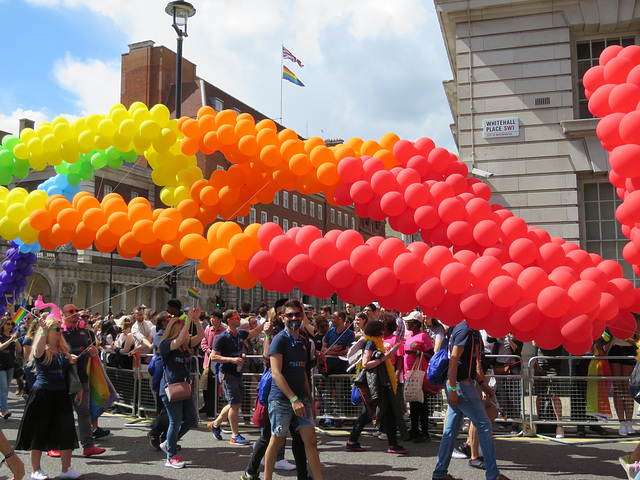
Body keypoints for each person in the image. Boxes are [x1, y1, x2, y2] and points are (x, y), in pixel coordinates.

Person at [432, 319, 511, 480]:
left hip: (460, 384)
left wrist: (483, 384)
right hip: (460, 385)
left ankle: (439, 474)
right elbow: (454, 359)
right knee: (484, 424)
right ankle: (493, 475)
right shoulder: (464, 329)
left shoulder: (470, 330)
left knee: (451, 431)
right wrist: (453, 388)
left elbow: (466, 362)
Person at [15, 299, 82, 479]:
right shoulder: (42, 348)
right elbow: (36, 352)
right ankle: (35, 470)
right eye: (57, 329)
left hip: (61, 394)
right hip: (43, 393)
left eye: (61, 329)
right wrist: (43, 331)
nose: (61, 332)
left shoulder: (63, 350)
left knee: (66, 431)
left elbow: (70, 372)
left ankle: (66, 470)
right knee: (38, 431)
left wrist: (71, 362)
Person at [263, 299, 323, 480]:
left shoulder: (303, 340)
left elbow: (303, 372)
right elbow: (276, 373)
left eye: (297, 314)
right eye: (289, 315)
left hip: (301, 399)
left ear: (302, 316)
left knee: (311, 441)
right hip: (281, 399)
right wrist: (293, 399)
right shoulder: (279, 340)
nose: (294, 318)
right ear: (282, 318)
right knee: (277, 440)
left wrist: (310, 400)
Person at [48, 304, 105, 459]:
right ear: (63, 315)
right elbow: (50, 353)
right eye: (71, 312)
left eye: (76, 311)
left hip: (82, 377)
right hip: (62, 378)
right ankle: (53, 445)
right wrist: (67, 358)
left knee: (84, 413)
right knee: (60, 413)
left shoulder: (84, 331)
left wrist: (93, 352)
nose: (75, 314)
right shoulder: (58, 332)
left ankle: (88, 446)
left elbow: (89, 349)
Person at [346, 319, 408, 454]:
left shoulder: (375, 343)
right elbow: (366, 363)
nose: (383, 332)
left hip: (380, 383)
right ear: (377, 331)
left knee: (387, 414)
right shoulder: (370, 343)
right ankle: (352, 440)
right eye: (381, 329)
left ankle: (392, 444)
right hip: (375, 385)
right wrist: (384, 358)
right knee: (369, 413)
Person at [208, 309, 264, 445]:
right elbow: (213, 356)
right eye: (237, 317)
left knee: (234, 403)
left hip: (238, 373)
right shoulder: (222, 337)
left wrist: (269, 321)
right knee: (235, 404)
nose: (239, 319)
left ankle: (215, 424)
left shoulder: (239, 333)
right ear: (229, 320)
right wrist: (231, 360)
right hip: (228, 373)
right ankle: (235, 435)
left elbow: (255, 332)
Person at [158, 306, 204, 468]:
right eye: (179, 330)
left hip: (184, 387)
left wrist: (196, 320)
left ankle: (169, 442)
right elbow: (179, 339)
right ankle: (171, 457)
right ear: (173, 331)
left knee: (191, 419)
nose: (183, 334)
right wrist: (188, 320)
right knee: (175, 421)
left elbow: (201, 336)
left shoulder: (184, 345)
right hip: (171, 389)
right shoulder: (166, 344)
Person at [319, 310, 355, 425]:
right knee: (327, 393)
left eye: (333, 318)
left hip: (341, 368)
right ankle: (328, 416)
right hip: (328, 368)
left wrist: (331, 351)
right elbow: (323, 350)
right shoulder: (329, 333)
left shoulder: (350, 334)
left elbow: (347, 351)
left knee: (340, 394)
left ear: (340, 319)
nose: (331, 320)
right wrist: (333, 350)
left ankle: (339, 417)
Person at [403, 310, 433, 443]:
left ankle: (424, 431)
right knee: (412, 403)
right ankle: (414, 429)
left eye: (409, 322)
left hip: (420, 374)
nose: (406, 324)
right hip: (409, 374)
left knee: (422, 404)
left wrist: (417, 352)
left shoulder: (423, 337)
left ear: (415, 324)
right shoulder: (408, 336)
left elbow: (431, 355)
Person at [606, 323, 640, 436]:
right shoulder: (612, 319)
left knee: (627, 387)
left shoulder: (635, 321)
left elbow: (637, 342)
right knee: (618, 388)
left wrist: (624, 336)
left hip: (630, 351)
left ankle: (629, 421)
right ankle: (621, 422)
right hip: (614, 350)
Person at [532, 342, 564, 438]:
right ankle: (539, 422)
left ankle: (559, 426)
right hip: (540, 363)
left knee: (554, 395)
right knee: (540, 394)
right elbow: (534, 343)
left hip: (554, 362)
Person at [199, 310, 225, 416]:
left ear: (219, 320)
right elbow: (203, 342)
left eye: (214, 318)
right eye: (211, 318)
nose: (211, 320)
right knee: (206, 384)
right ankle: (206, 405)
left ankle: (214, 408)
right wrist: (208, 350)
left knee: (216, 385)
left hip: (217, 362)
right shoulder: (208, 330)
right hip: (207, 361)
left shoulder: (224, 331)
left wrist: (216, 352)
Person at [0, 316, 21, 418]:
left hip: (10, 364)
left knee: (6, 388)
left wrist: (15, 340)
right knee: (3, 388)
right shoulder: (0, 336)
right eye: (7, 324)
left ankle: (1, 408)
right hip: (0, 365)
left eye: (11, 324)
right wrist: (10, 340)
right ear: (3, 325)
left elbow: (20, 350)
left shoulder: (12, 336)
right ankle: (5, 410)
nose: (9, 326)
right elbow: (0, 347)